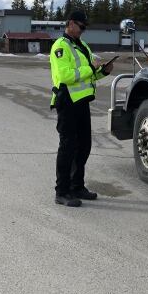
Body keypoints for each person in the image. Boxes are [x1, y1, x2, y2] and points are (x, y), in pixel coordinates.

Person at [49, 11, 114, 207]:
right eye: (81, 25)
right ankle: (62, 191)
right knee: (67, 147)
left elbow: (88, 77)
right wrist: (91, 68)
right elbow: (66, 75)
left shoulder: (82, 46)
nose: (83, 29)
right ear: (69, 23)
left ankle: (77, 186)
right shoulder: (60, 46)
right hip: (67, 102)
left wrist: (102, 71)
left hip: (82, 102)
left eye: (85, 26)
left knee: (83, 146)